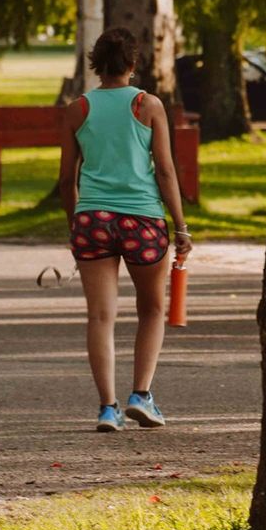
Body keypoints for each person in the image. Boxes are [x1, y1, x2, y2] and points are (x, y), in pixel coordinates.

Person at [59, 27, 193, 433]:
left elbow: (68, 178)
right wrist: (181, 226)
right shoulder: (147, 105)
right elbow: (166, 170)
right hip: (143, 219)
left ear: (96, 65)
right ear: (133, 65)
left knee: (100, 315)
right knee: (151, 309)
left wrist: (74, 224)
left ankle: (106, 408)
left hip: (93, 220)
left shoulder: (78, 108)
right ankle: (141, 396)